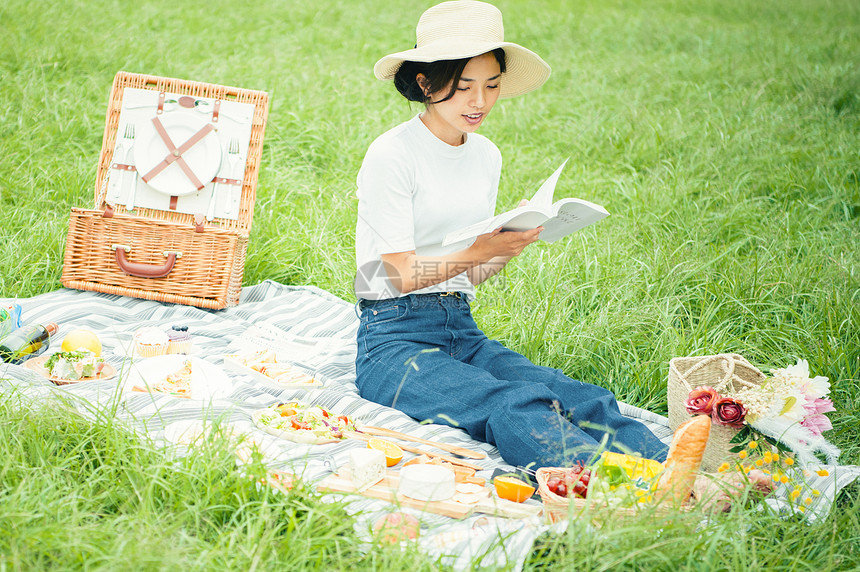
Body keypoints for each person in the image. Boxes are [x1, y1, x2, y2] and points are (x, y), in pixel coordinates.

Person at [352, 0, 672, 471]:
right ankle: (610, 493)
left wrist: (509, 241)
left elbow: (473, 276)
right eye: (462, 87)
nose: (479, 102)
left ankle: (687, 472)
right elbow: (391, 275)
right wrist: (479, 248)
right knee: (512, 405)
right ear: (425, 81)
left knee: (576, 396)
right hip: (393, 341)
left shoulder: (486, 156)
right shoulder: (393, 154)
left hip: (460, 327)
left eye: (492, 85)